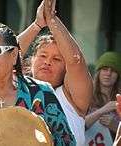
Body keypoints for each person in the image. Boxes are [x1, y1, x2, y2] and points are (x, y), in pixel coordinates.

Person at [21, 0, 93, 145]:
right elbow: (3, 58)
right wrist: (37, 25)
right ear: (31, 61)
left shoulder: (71, 98)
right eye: (42, 56)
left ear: (66, 70)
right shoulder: (16, 90)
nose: (47, 62)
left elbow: (75, 60)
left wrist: (52, 19)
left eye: (57, 59)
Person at [85, 52, 121, 140]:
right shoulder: (85, 95)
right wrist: (101, 111)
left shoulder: (119, 99)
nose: (108, 73)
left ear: (118, 76)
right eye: (105, 69)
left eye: (113, 70)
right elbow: (75, 127)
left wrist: (116, 127)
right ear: (98, 72)